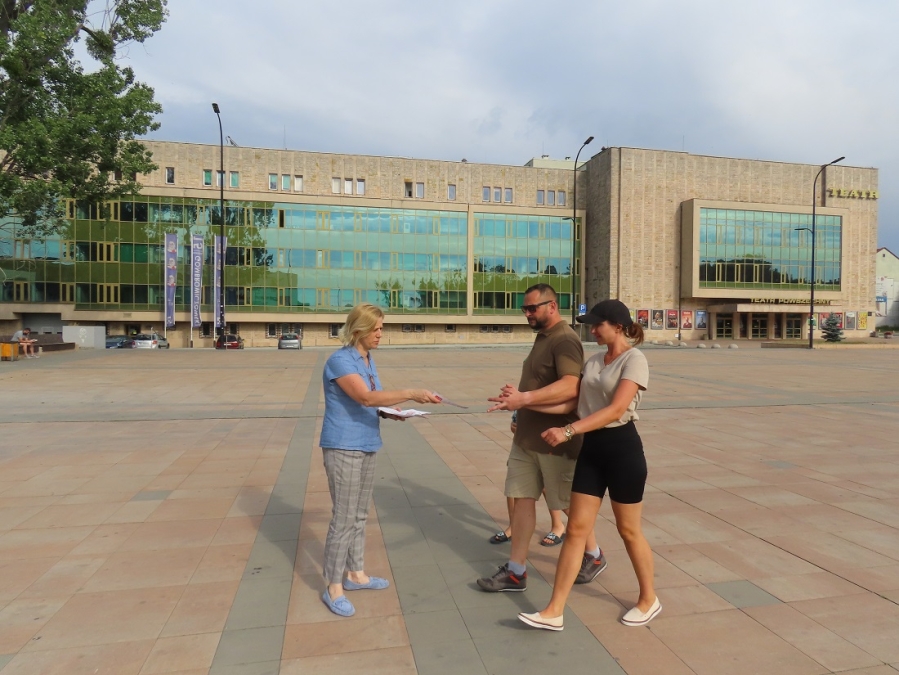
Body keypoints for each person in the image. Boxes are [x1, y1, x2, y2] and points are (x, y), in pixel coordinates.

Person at [517, 299, 659, 631]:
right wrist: (523, 404)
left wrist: (568, 431)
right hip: (591, 451)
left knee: (629, 530)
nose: (592, 330)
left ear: (618, 326)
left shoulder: (634, 360)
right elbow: (573, 403)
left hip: (622, 450)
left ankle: (648, 599)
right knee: (577, 530)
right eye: (590, 325)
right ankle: (554, 610)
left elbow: (615, 410)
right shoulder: (594, 361)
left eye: (597, 325)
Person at [478, 284, 605, 593]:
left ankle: (594, 554)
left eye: (532, 308)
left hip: (554, 443)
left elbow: (570, 387)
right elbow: (538, 385)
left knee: (568, 505)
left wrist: (524, 399)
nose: (527, 313)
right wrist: (518, 403)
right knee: (522, 501)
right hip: (527, 439)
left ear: (552, 306)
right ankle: (516, 572)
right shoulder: (544, 337)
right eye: (525, 309)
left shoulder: (564, 339)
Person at [319, 303, 440, 617]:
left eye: (381, 328)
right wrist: (411, 392)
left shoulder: (367, 360)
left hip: (367, 443)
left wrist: (393, 412)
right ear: (358, 329)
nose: (380, 334)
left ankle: (356, 573)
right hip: (343, 446)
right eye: (375, 329)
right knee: (343, 518)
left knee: (360, 514)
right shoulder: (340, 361)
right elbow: (365, 397)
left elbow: (376, 401)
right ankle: (334, 586)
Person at [489, 411, 568, 547]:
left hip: (549, 429)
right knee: (515, 482)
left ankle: (558, 525)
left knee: (549, 483)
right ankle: (514, 526)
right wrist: (516, 422)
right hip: (525, 431)